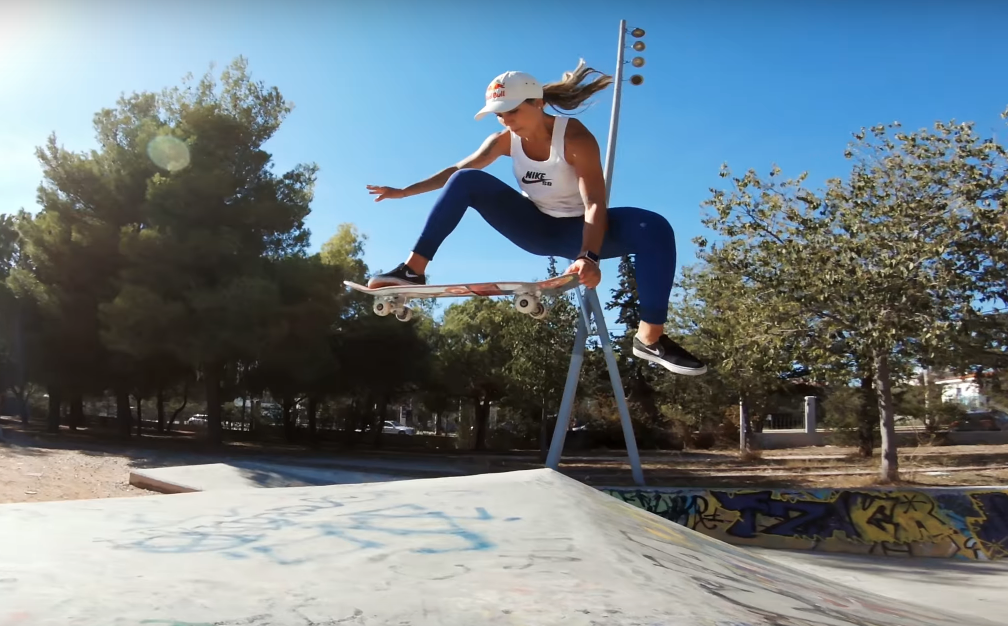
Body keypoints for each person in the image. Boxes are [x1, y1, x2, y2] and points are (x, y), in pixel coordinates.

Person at [365, 60, 706, 376]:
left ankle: (650, 339)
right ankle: (413, 270)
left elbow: (594, 202)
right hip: (537, 228)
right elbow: (456, 171)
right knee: (466, 180)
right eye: (499, 115)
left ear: (538, 103)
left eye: (512, 111)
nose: (506, 121)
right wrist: (404, 191)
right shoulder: (502, 141)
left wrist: (589, 256)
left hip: (582, 229)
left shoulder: (574, 138)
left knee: (655, 227)